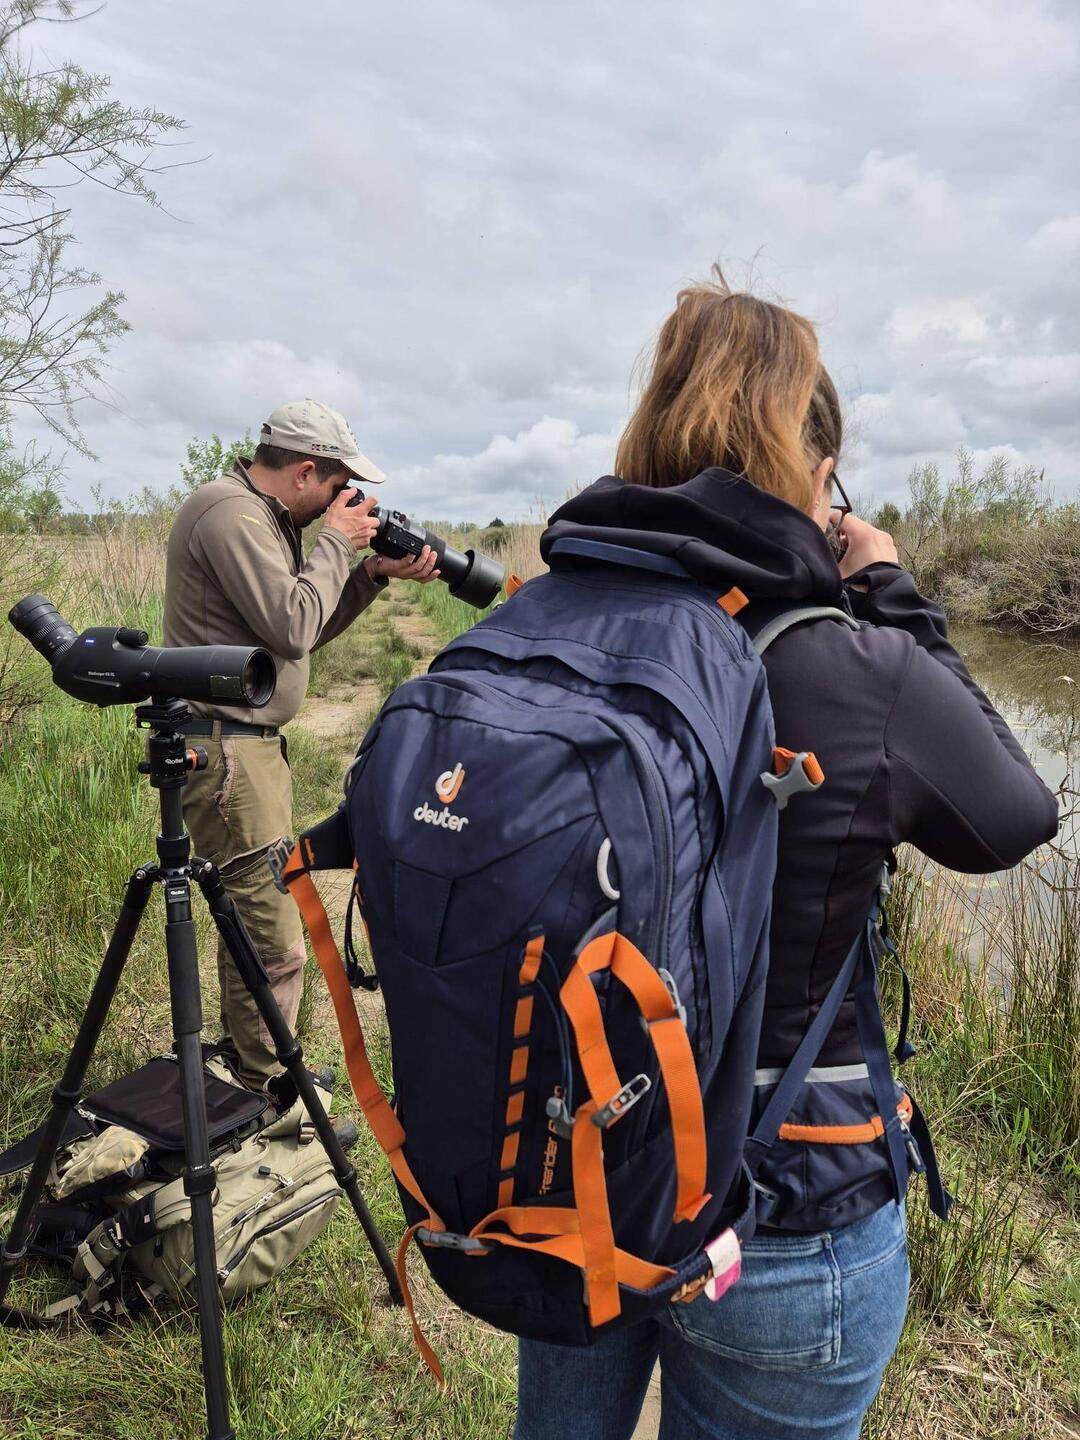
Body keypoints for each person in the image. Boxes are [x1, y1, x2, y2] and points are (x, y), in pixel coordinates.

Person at [515, 273, 1059, 1440]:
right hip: (780, 1203)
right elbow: (1013, 816)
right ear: (815, 473)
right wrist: (890, 588)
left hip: (582, 1170)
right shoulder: (853, 664)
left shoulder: (544, 622)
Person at [163, 398, 439, 1091]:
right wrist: (338, 544)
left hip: (246, 749)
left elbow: (302, 629)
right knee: (275, 937)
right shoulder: (228, 512)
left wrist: (369, 576)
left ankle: (249, 1065)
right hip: (226, 751)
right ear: (306, 470)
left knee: (253, 916)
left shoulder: (263, 519)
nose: (342, 502)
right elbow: (291, 624)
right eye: (339, 487)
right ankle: (268, 1090)